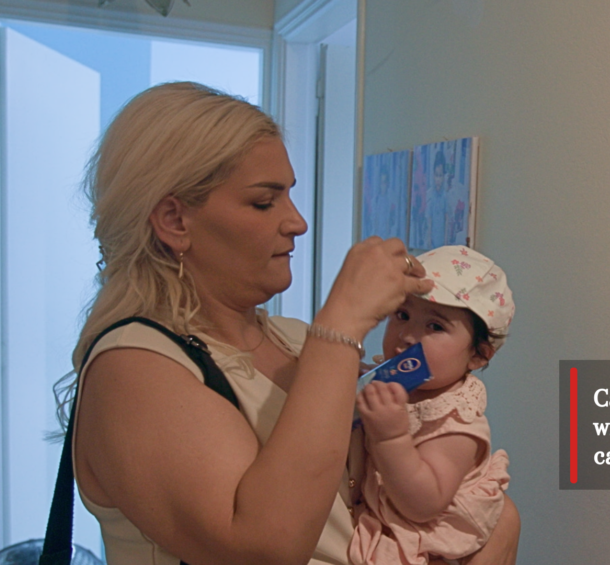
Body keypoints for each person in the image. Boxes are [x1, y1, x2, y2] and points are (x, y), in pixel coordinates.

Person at [60, 82, 519, 565]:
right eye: (265, 202)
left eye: (290, 196)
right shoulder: (134, 369)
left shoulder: (295, 339)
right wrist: (342, 322)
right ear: (175, 220)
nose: (298, 222)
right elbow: (263, 550)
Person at [349, 246, 514, 565]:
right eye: (403, 315)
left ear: (478, 355)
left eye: (435, 327)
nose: (408, 336)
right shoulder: (393, 377)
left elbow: (423, 505)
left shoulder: (456, 419)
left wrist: (391, 437)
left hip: (430, 541)